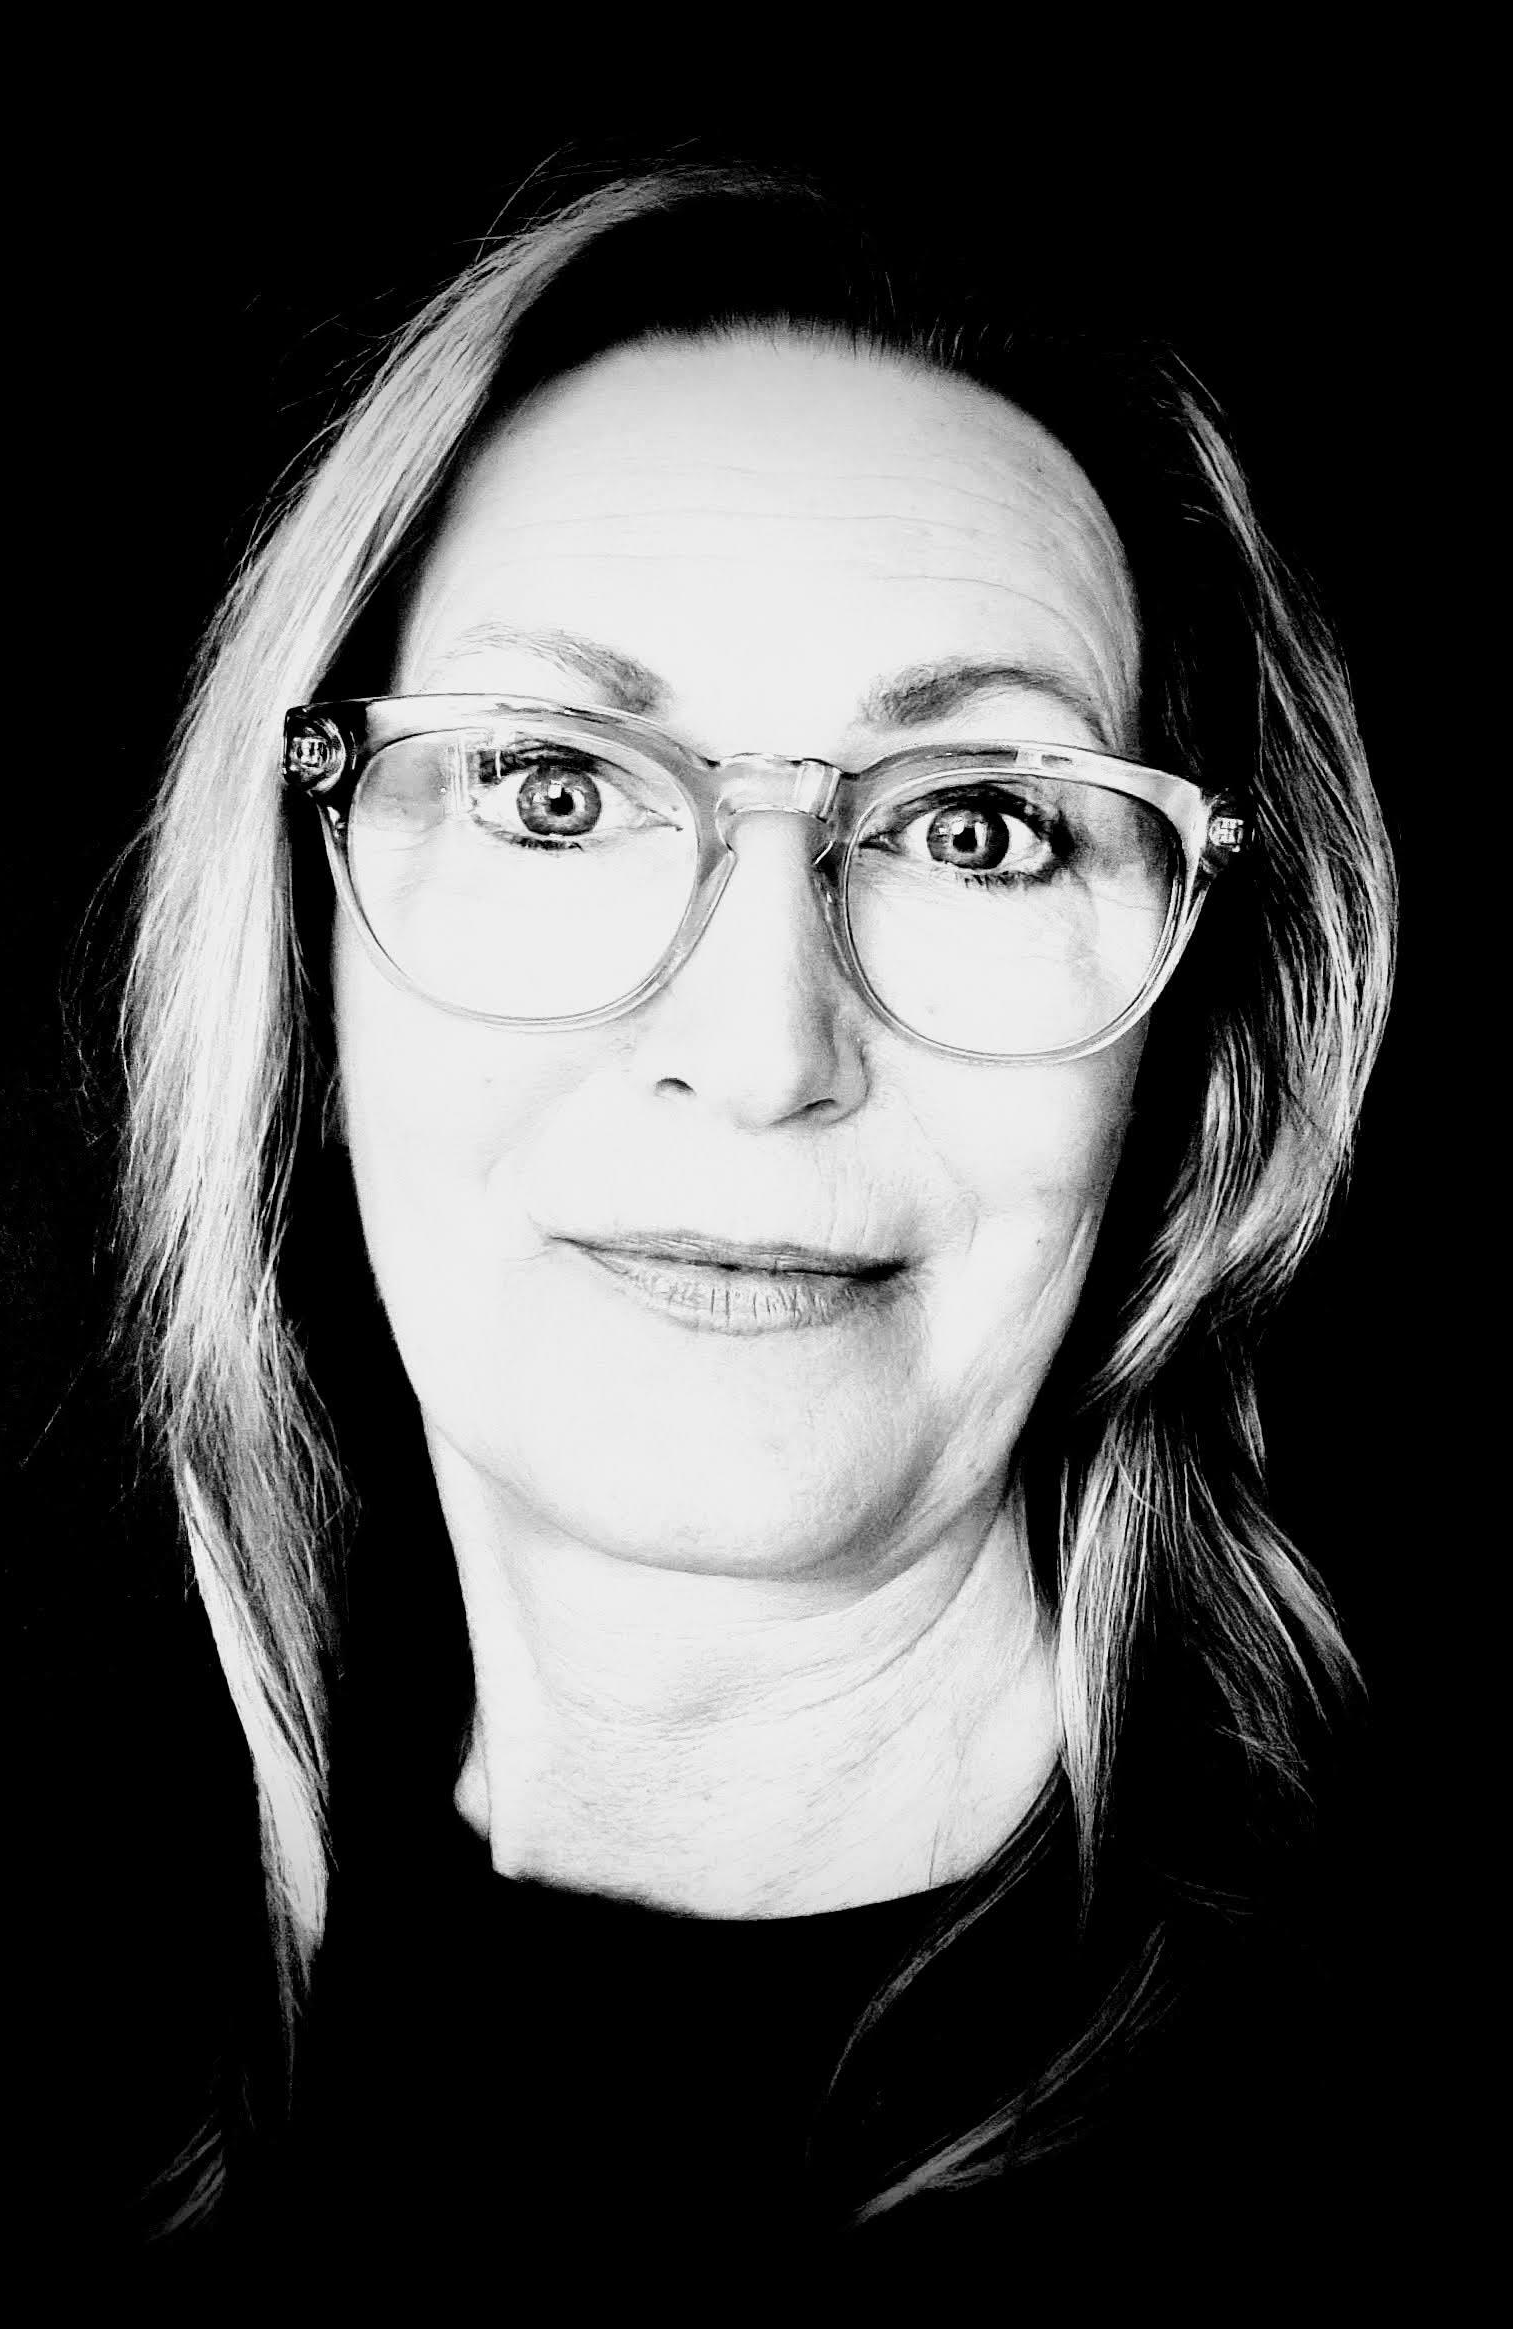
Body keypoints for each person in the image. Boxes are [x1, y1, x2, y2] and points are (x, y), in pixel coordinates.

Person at [109, 160, 1395, 2292]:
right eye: (554, 789)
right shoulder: (20, 2068)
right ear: (302, 952)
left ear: (1192, 1048)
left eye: (978, 826)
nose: (763, 1045)